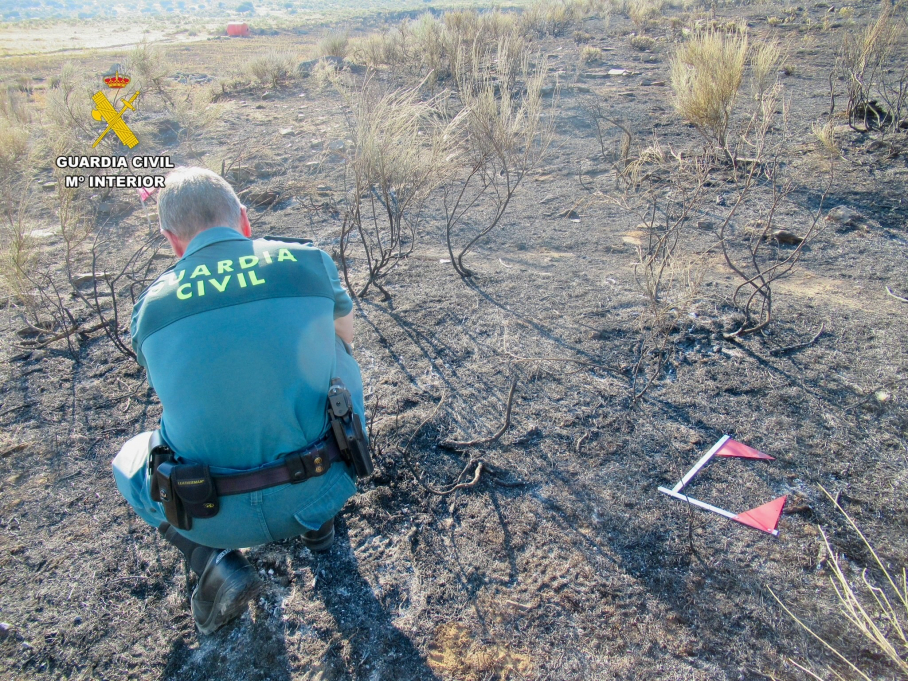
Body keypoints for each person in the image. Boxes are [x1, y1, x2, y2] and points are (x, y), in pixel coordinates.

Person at [112, 166, 366, 634]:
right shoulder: (307, 261)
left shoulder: (149, 307)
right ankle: (317, 522)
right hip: (324, 481)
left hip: (208, 514)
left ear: (173, 242)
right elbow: (344, 341)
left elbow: (176, 391)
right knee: (336, 355)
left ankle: (212, 560)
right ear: (244, 221)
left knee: (126, 459)